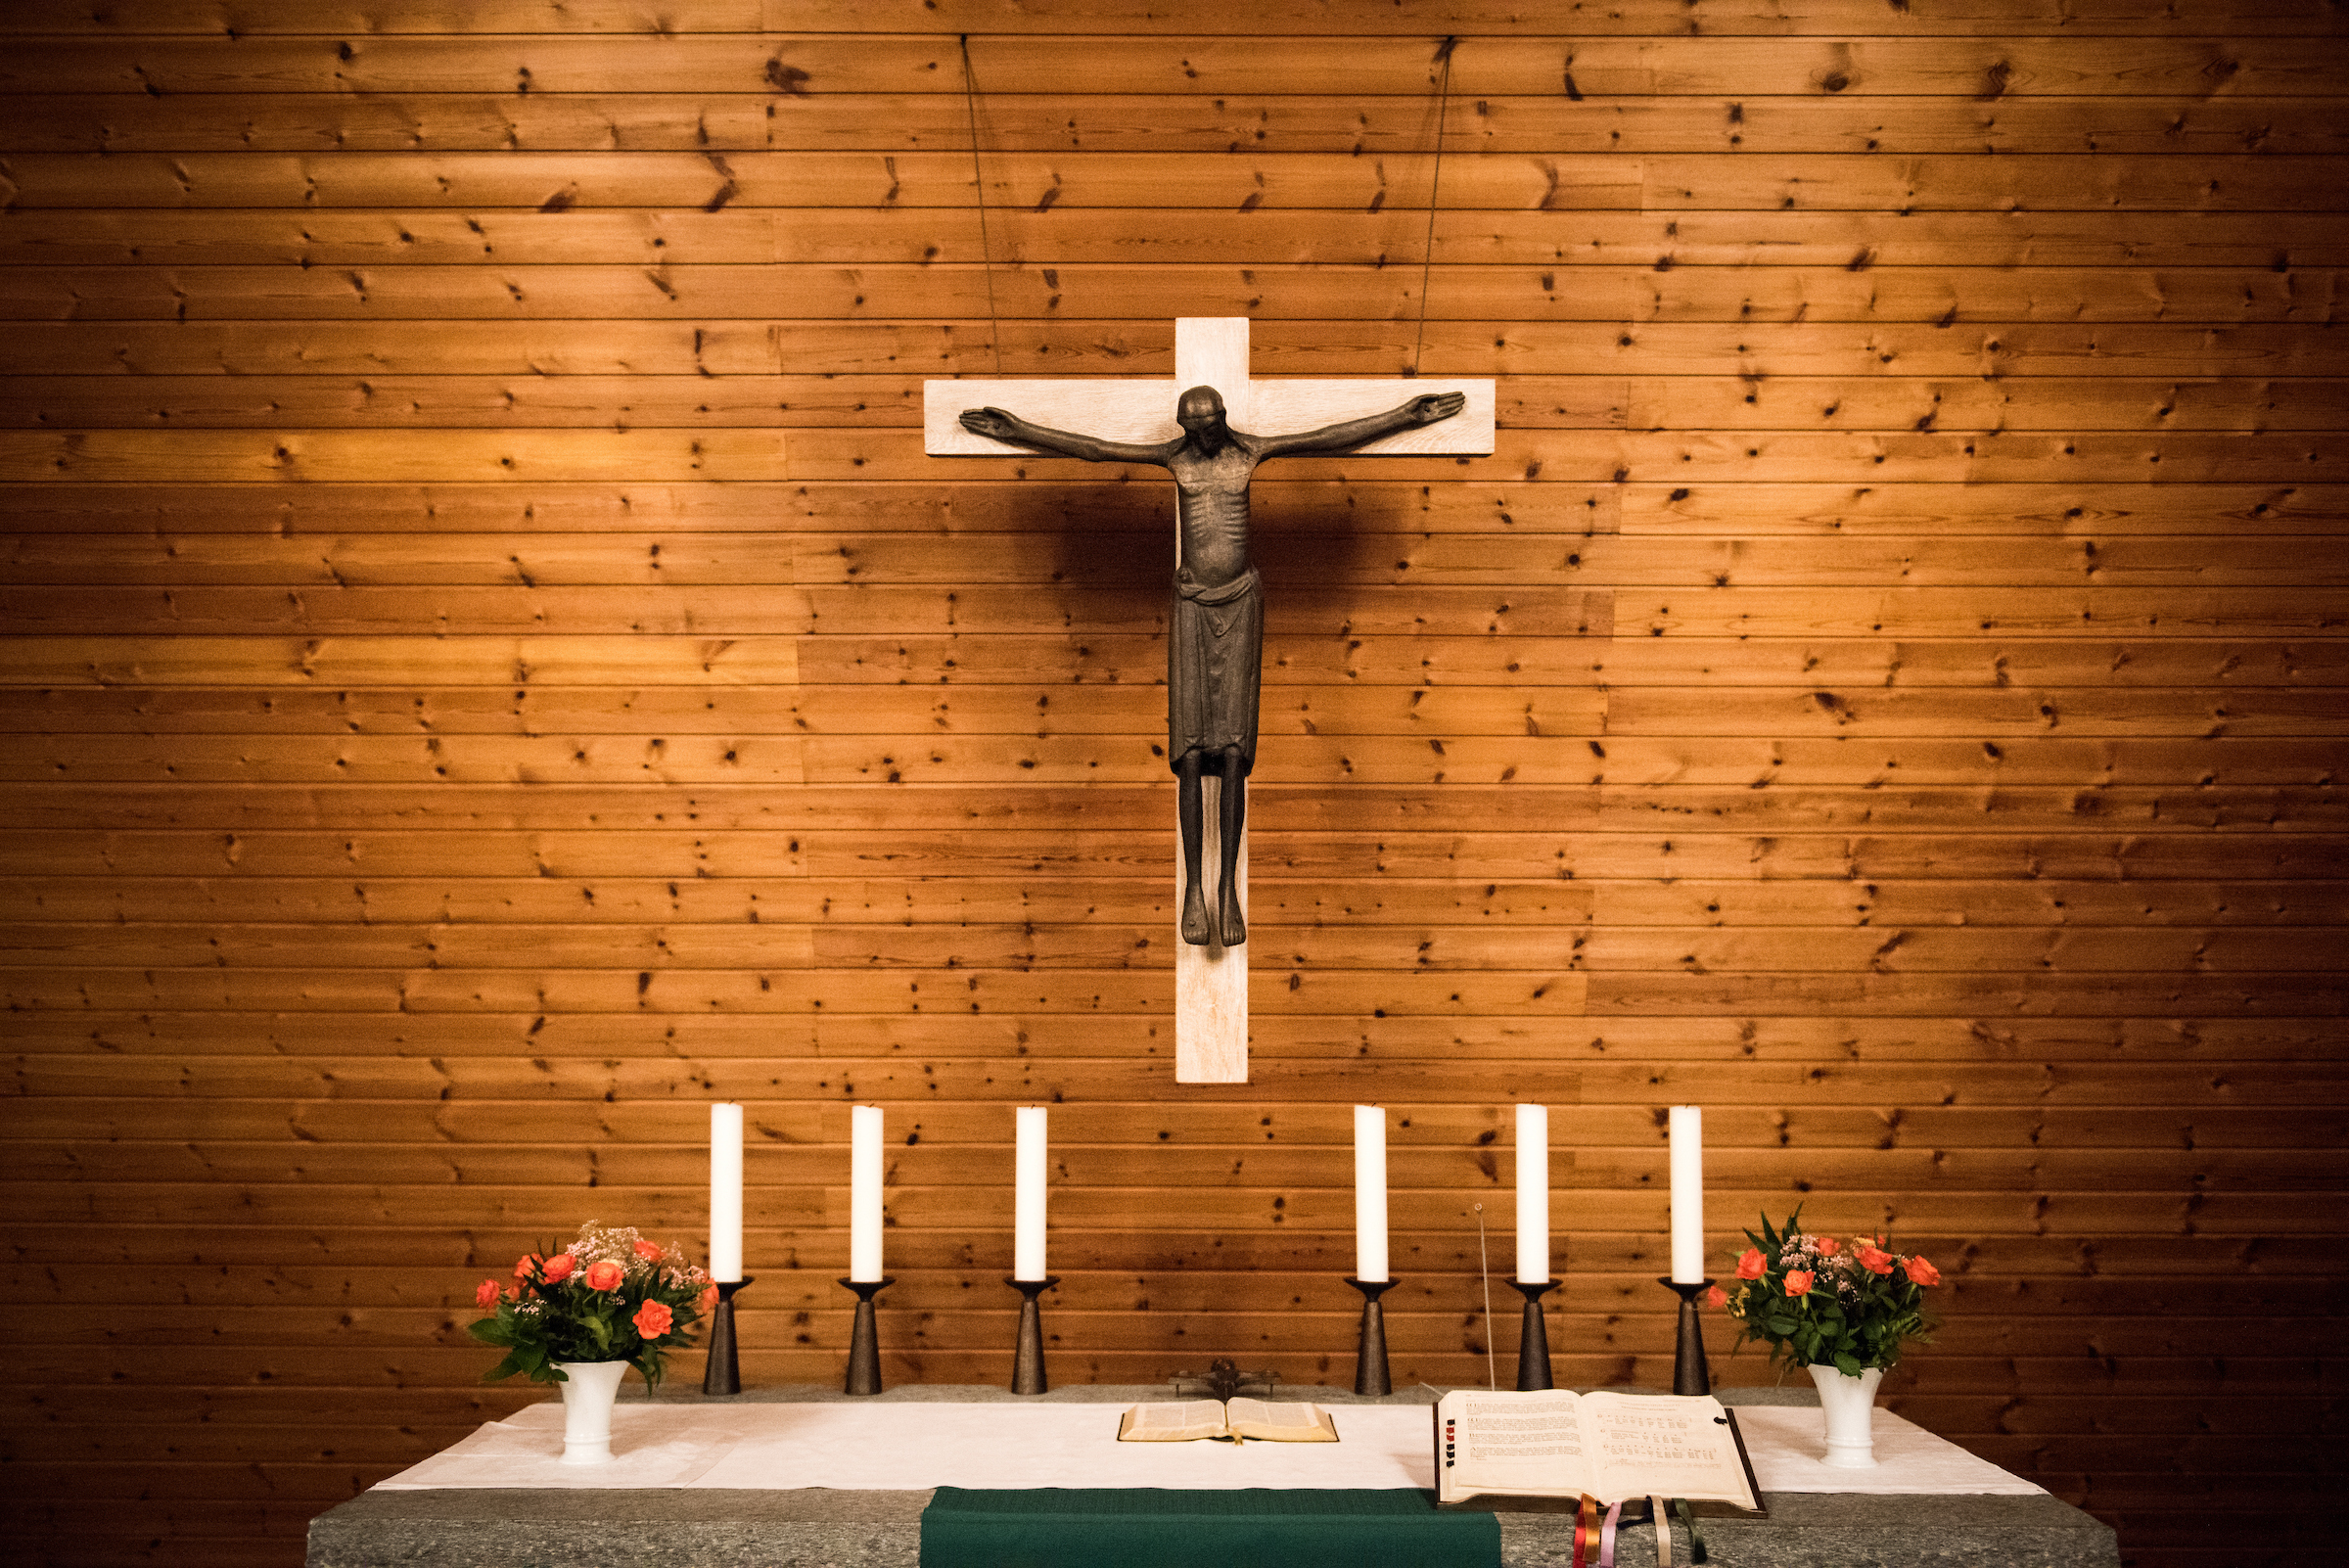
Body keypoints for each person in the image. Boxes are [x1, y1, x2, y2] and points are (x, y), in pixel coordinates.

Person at [959, 386, 1466, 946]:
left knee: (1231, 753)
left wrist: (1403, 416)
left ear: (1222, 419)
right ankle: (1192, 890)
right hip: (1191, 604)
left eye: (1206, 425)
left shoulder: (1250, 452)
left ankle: (1228, 890)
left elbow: (1329, 440)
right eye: (1190, 427)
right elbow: (1095, 449)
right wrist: (1022, 432)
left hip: (1242, 601)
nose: (1198, 436)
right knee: (1189, 751)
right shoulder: (1174, 457)